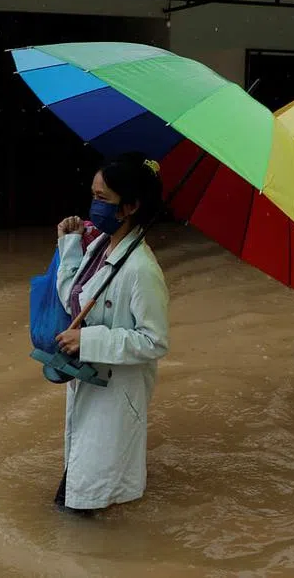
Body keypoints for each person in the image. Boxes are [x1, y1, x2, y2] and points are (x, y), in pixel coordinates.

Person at [52, 152, 170, 513]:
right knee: (79, 484)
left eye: (102, 198)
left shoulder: (141, 270)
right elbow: (74, 298)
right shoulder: (100, 244)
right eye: (93, 195)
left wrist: (89, 341)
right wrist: (69, 244)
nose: (94, 205)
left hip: (117, 393)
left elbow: (154, 341)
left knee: (83, 500)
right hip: (89, 380)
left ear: (130, 206)